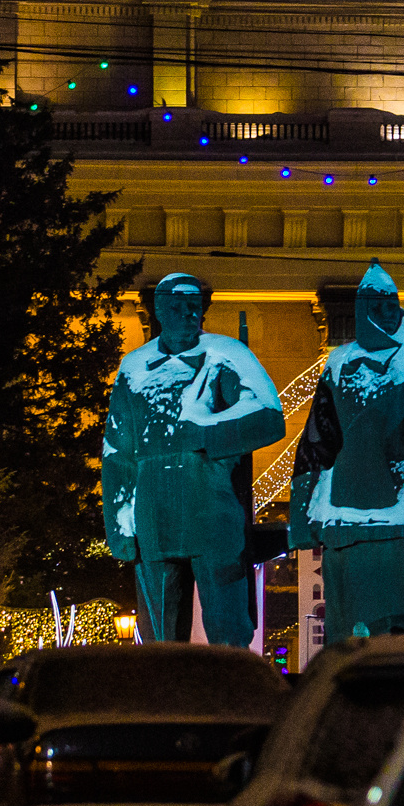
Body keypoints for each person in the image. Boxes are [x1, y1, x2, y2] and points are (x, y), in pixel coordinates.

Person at [287, 260, 404, 640]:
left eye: (392, 306)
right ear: (364, 309)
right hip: (346, 520)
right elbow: (317, 441)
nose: (387, 314)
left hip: (401, 519)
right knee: (349, 634)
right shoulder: (338, 362)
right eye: (379, 306)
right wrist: (302, 514)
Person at [100, 272, 285, 645]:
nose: (188, 314)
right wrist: (119, 526)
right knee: (160, 638)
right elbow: (117, 452)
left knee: (227, 628)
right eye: (178, 306)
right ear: (159, 311)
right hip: (153, 515)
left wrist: (206, 431)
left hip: (211, 508)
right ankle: (165, 701)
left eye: (194, 307)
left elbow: (268, 417)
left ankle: (230, 698)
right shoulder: (134, 368)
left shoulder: (226, 354)